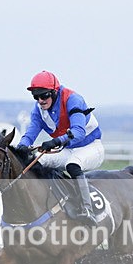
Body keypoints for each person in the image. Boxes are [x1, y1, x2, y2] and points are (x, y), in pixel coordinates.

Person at [16, 70, 104, 227]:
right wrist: (19, 149)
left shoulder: (73, 99)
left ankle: (87, 210)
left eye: (44, 95)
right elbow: (30, 133)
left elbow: (78, 132)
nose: (40, 100)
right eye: (36, 96)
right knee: (39, 163)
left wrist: (56, 141)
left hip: (90, 147)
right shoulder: (38, 110)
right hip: (67, 149)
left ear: (54, 92)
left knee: (73, 165)